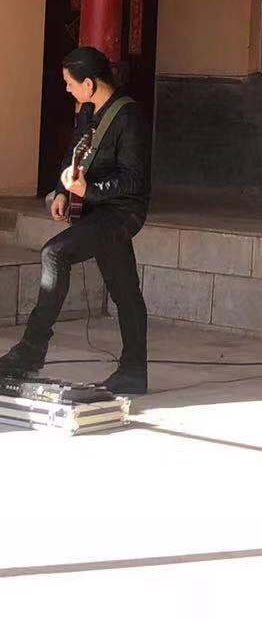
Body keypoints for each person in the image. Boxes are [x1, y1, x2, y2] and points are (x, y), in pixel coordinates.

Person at [0, 47, 151, 395]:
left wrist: (90, 189)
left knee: (54, 253)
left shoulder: (129, 118)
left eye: (70, 83)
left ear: (89, 84)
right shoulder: (87, 111)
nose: (67, 89)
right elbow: (74, 153)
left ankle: (31, 351)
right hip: (97, 209)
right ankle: (134, 371)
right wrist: (62, 191)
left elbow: (135, 181)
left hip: (122, 212)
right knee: (125, 290)